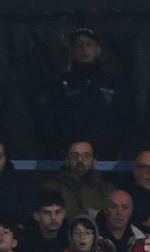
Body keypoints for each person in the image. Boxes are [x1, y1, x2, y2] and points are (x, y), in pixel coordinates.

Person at [37, 26, 133, 157]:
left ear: (98, 50)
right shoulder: (58, 84)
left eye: (89, 44)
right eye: (79, 45)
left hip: (108, 157)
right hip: (69, 157)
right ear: (70, 50)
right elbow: (48, 122)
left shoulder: (113, 82)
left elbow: (126, 118)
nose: (84, 49)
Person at [43, 138, 115, 220]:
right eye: (74, 155)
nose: (80, 160)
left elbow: (112, 217)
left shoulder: (107, 189)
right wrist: (91, 214)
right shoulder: (52, 187)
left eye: (86, 155)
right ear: (67, 160)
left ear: (94, 161)